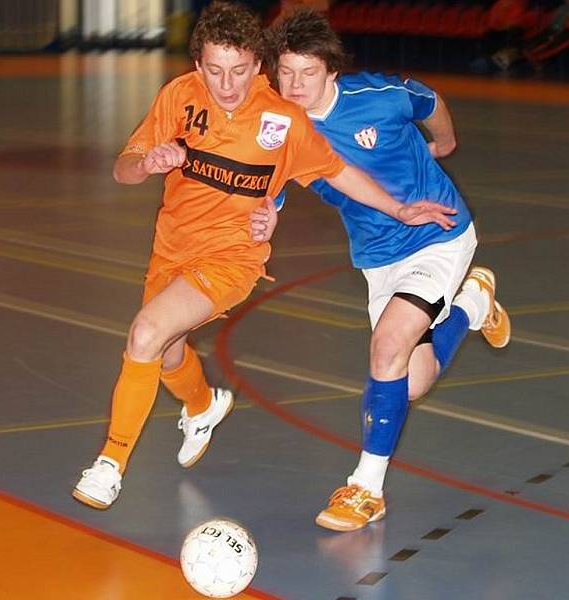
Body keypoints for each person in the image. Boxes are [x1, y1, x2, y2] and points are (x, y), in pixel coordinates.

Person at [72, 0, 458, 510]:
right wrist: (145, 163)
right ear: (196, 65)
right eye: (214, 70)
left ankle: (110, 464)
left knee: (145, 332)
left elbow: (336, 171)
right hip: (171, 249)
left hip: (232, 257)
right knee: (166, 352)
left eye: (238, 70)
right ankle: (203, 404)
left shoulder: (282, 117)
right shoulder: (178, 98)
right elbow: (123, 167)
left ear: (258, 66)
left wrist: (400, 208)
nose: (226, 84)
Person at [253, 8, 512, 531]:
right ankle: (473, 303)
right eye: (286, 73)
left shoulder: (377, 97)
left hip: (438, 235)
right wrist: (263, 218)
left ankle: (365, 488)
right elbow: (271, 192)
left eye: (308, 72)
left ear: (331, 71)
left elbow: (429, 101)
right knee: (410, 380)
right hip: (377, 258)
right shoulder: (282, 131)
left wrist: (445, 143)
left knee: (386, 348)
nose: (296, 85)